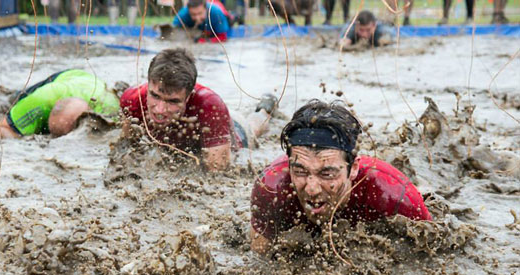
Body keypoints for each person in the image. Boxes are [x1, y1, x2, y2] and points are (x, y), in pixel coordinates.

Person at [250, 100, 432, 255]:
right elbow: (260, 260)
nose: (312, 189)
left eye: (327, 174)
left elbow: (431, 257)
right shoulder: (271, 188)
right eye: (300, 172)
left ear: (353, 168)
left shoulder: (394, 195)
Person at [120, 48, 275, 172]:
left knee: (253, 127)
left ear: (188, 97)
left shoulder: (209, 106)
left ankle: (265, 109)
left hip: (232, 133)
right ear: (148, 86)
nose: (160, 110)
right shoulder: (132, 99)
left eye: (173, 101)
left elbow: (218, 173)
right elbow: (126, 147)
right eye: (155, 96)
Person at [0, 70, 120, 139]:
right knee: (12, 101)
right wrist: (22, 146)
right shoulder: (40, 100)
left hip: (87, 82)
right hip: (63, 80)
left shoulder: (108, 109)